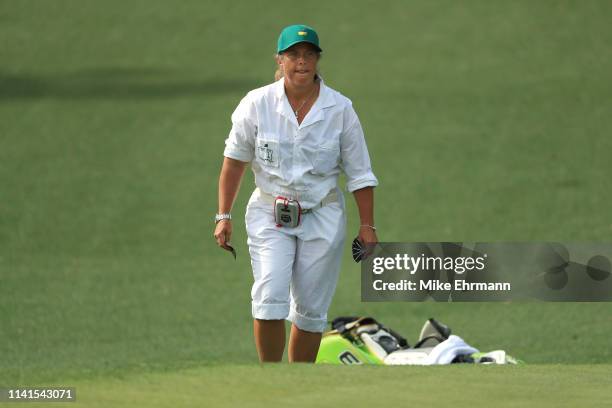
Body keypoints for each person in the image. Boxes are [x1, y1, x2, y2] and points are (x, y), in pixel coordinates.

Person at [214, 24, 378, 363]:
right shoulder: (256, 103)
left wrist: (368, 226)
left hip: (322, 214)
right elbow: (234, 162)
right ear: (280, 59)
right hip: (269, 212)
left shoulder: (340, 109)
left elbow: (360, 173)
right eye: (293, 56)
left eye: (308, 55)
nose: (301, 62)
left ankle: (297, 383)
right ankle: (271, 379)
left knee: (310, 310)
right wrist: (223, 215)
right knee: (270, 297)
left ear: (317, 60)